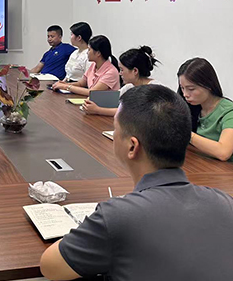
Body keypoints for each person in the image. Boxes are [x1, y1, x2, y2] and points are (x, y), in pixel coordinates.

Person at [40, 84, 233, 280]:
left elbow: (50, 267)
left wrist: (96, 226)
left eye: (115, 129)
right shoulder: (225, 202)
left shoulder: (117, 216)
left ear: (132, 146)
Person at [178, 57, 233, 162]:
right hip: (201, 163)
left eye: (191, 89)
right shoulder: (193, 107)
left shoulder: (228, 112)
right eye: (182, 88)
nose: (185, 94)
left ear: (208, 85)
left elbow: (223, 152)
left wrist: (187, 134)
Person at [82, 45, 161, 116]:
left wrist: (98, 110)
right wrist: (92, 100)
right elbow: (111, 98)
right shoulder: (129, 87)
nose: (120, 73)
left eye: (122, 70)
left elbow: (133, 113)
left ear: (135, 71)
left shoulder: (154, 89)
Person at [53, 35, 119, 95]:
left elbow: (92, 92)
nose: (87, 53)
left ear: (98, 53)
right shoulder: (93, 65)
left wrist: (66, 87)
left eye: (89, 50)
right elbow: (81, 83)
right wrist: (65, 84)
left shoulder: (111, 72)